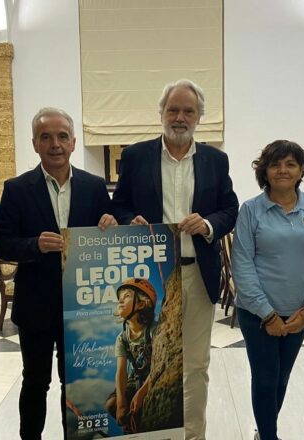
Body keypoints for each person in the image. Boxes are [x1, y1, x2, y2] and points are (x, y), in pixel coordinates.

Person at [111, 79, 239, 439]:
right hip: (152, 275)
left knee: (195, 364)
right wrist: (128, 221)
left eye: (188, 111)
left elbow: (231, 209)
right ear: (162, 114)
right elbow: (120, 204)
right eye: (173, 110)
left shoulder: (216, 159)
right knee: (152, 361)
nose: (180, 117)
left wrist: (209, 224)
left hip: (197, 272)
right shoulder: (135, 156)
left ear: (199, 117)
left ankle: (193, 435)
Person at [0, 107, 117, 439]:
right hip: (36, 303)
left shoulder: (94, 187)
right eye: (46, 137)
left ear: (74, 142)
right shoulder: (18, 188)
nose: (55, 144)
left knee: (75, 384)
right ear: (34, 143)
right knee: (35, 381)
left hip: (83, 307)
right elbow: (3, 244)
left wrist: (110, 225)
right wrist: (35, 245)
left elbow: (108, 240)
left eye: (62, 136)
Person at [232, 140, 304, 440]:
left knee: (281, 379)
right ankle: (268, 436)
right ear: (265, 170)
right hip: (257, 314)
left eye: (290, 164)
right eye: (275, 164)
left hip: (300, 313)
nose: (283, 170)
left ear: (301, 170)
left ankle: (264, 431)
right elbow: (242, 265)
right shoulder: (251, 210)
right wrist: (267, 315)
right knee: (265, 379)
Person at [105, 278, 158, 433]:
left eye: (127, 296)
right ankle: (131, 424)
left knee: (146, 403)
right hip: (135, 379)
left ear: (142, 304)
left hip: (152, 375)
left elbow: (159, 364)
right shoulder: (122, 338)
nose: (120, 301)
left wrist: (142, 393)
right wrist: (121, 405)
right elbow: (121, 371)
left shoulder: (154, 331)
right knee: (111, 404)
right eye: (120, 298)